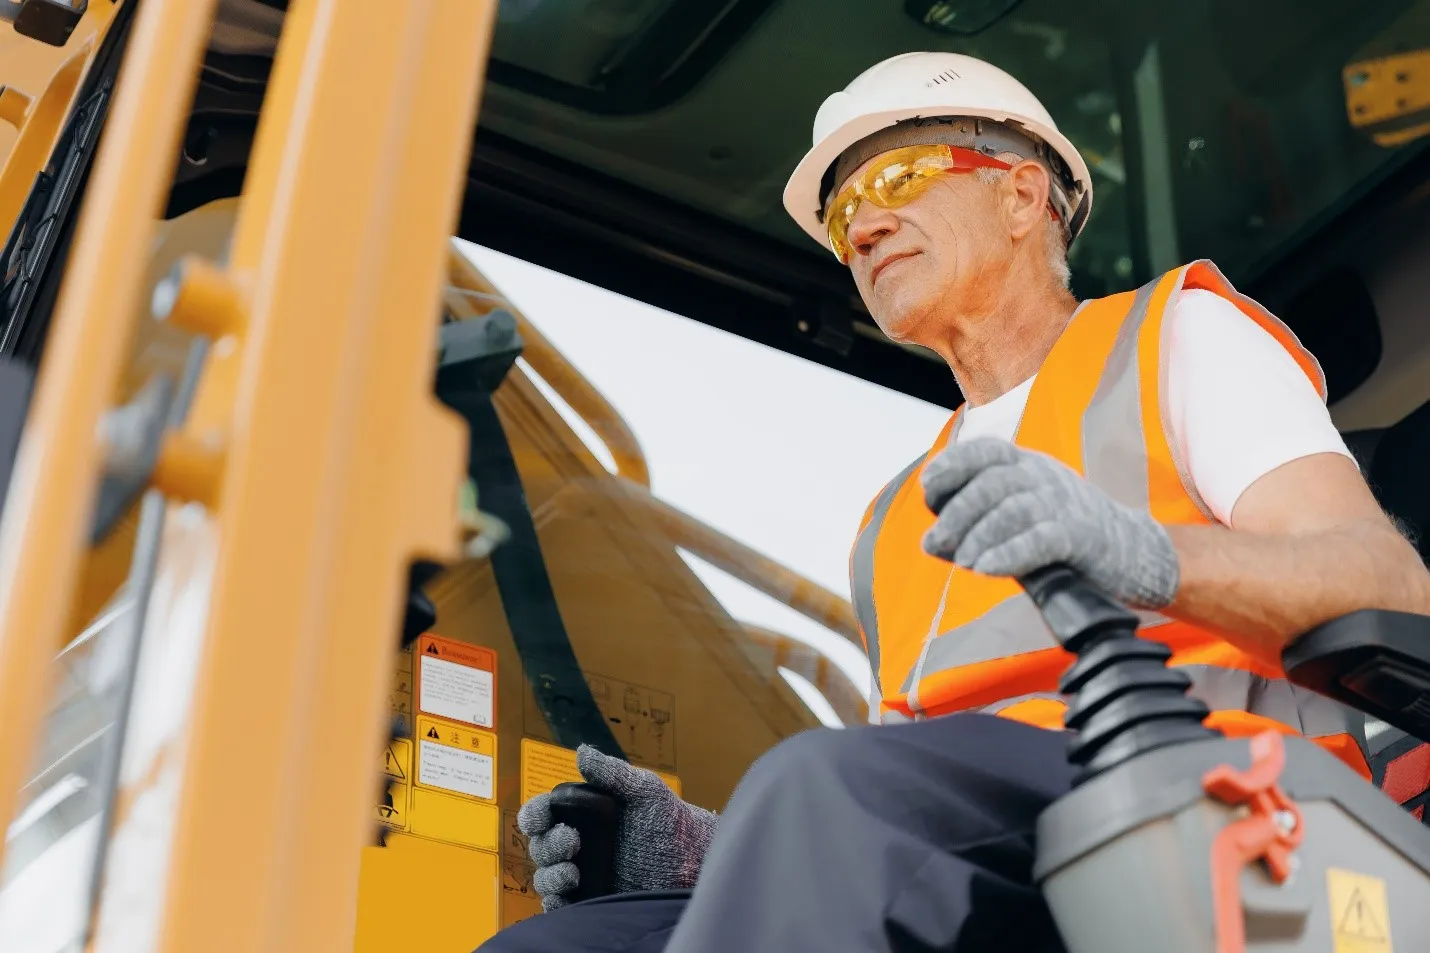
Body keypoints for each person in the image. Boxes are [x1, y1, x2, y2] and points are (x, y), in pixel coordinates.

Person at [478, 51, 1430, 953]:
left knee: (819, 787)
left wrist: (1147, 556)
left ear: (1021, 195)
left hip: (1210, 803)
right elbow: (906, 783)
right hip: (1002, 849)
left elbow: (1386, 581)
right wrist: (705, 853)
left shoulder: (1178, 337)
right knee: (566, 939)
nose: (862, 225)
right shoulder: (894, 519)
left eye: (895, 181)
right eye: (846, 206)